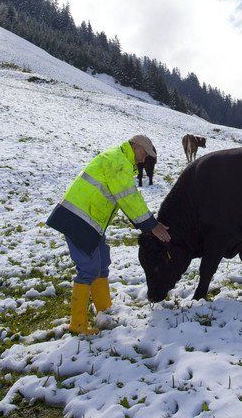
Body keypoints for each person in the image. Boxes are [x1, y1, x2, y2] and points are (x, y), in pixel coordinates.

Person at [47, 134, 170, 335]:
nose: (145, 159)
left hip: (90, 220)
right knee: (89, 268)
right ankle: (77, 325)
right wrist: (151, 225)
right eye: (145, 153)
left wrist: (149, 223)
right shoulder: (117, 162)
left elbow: (127, 197)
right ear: (136, 147)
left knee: (102, 261)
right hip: (77, 219)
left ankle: (104, 310)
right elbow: (128, 198)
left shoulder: (120, 161)